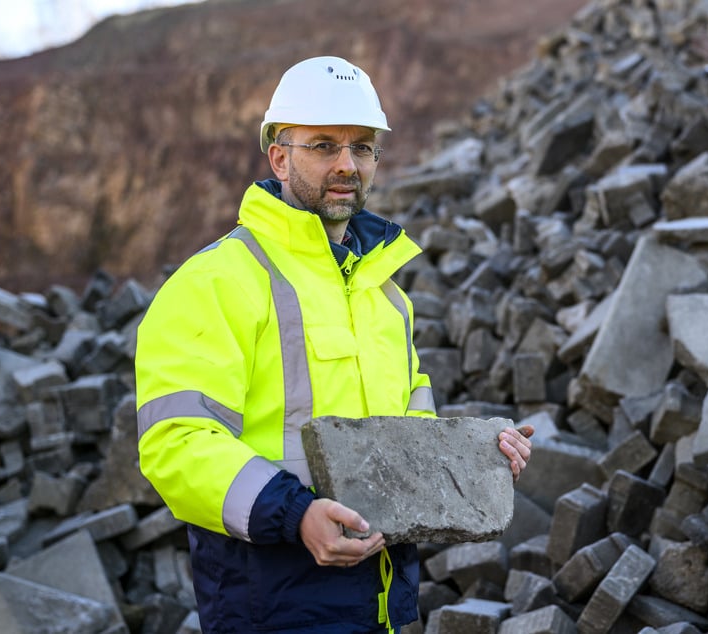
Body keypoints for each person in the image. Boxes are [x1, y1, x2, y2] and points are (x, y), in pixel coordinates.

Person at [134, 55, 533, 634]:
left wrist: (478, 459)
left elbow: (408, 434)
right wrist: (296, 516)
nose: (347, 165)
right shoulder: (216, 282)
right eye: (324, 146)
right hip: (273, 603)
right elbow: (176, 441)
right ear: (279, 157)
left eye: (362, 148)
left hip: (385, 600)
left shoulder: (386, 295)